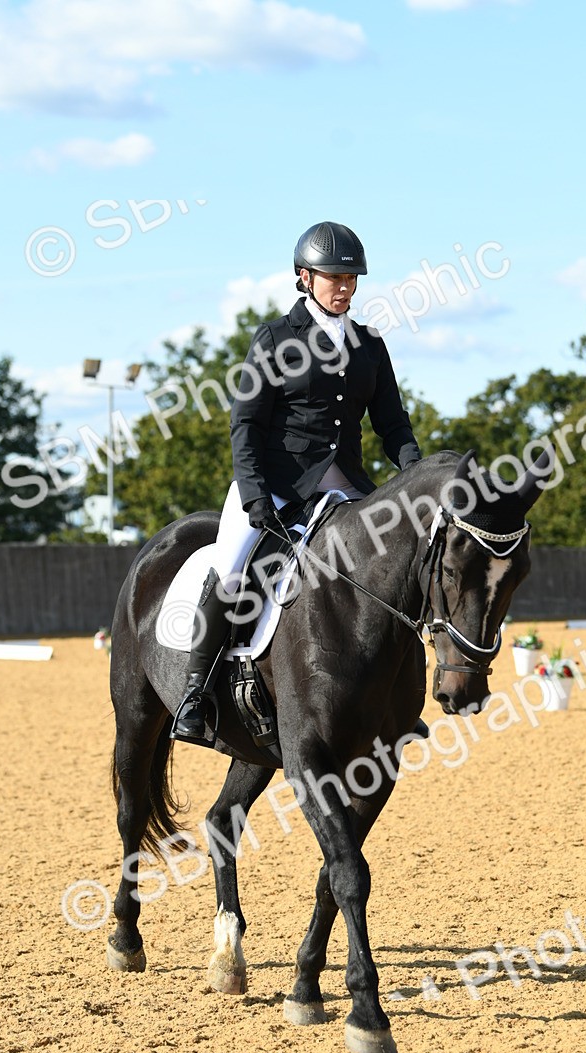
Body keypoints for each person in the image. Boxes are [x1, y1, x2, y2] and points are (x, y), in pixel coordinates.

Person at [171, 220, 423, 741]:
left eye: (352, 278)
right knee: (233, 567)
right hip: (277, 484)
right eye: (335, 277)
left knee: (399, 567)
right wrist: (254, 494)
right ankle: (196, 691)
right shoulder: (275, 337)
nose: (346, 286)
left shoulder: (369, 345)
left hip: (347, 487)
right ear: (305, 277)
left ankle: (398, 695)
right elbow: (246, 423)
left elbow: (392, 423)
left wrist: (416, 472)